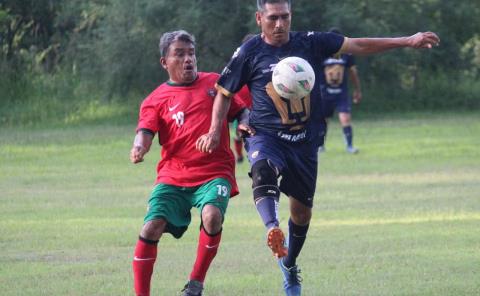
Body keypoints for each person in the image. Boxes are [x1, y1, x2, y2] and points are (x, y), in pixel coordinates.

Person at [196, 1, 440, 295]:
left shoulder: (310, 43)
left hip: (304, 142)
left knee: (301, 215)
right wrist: (213, 130)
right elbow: (224, 93)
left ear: (291, 16)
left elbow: (358, 45)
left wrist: (407, 41)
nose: (279, 24)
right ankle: (272, 228)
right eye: (272, 18)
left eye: (284, 17)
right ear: (259, 18)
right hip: (266, 135)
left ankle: (289, 264)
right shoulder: (249, 53)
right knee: (263, 169)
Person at [130, 30, 249, 296]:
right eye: (179, 54)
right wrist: (139, 147)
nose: (188, 59)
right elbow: (145, 132)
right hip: (173, 175)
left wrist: (244, 123)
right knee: (151, 227)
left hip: (214, 171)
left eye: (191, 53)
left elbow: (242, 109)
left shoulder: (216, 83)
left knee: (212, 215)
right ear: (165, 62)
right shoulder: (155, 99)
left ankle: (195, 283)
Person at [320, 28, 362, 154]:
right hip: (324, 93)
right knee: (323, 120)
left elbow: (353, 72)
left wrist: (357, 89)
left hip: (341, 93)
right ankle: (320, 145)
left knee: (345, 118)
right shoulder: (321, 53)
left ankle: (349, 146)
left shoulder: (347, 54)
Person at [232, 34, 256, 163]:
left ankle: (254, 155)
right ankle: (240, 156)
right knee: (239, 134)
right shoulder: (237, 65)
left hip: (258, 108)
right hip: (241, 109)